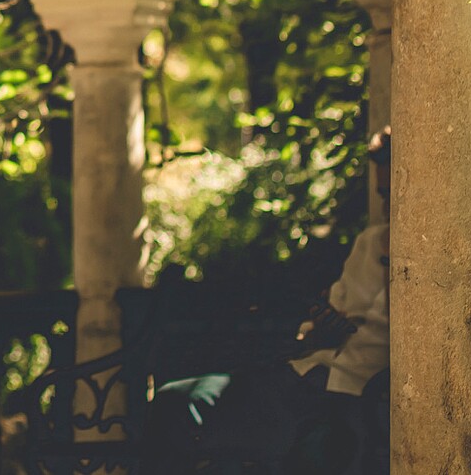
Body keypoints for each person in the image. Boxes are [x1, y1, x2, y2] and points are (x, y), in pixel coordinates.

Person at [148, 129, 392, 474]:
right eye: (383, 195)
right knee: (173, 401)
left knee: (201, 425)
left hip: (345, 394)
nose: (388, 207)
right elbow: (326, 318)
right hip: (301, 373)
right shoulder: (369, 241)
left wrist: (394, 261)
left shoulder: (432, 261)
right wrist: (318, 331)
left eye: (395, 194)